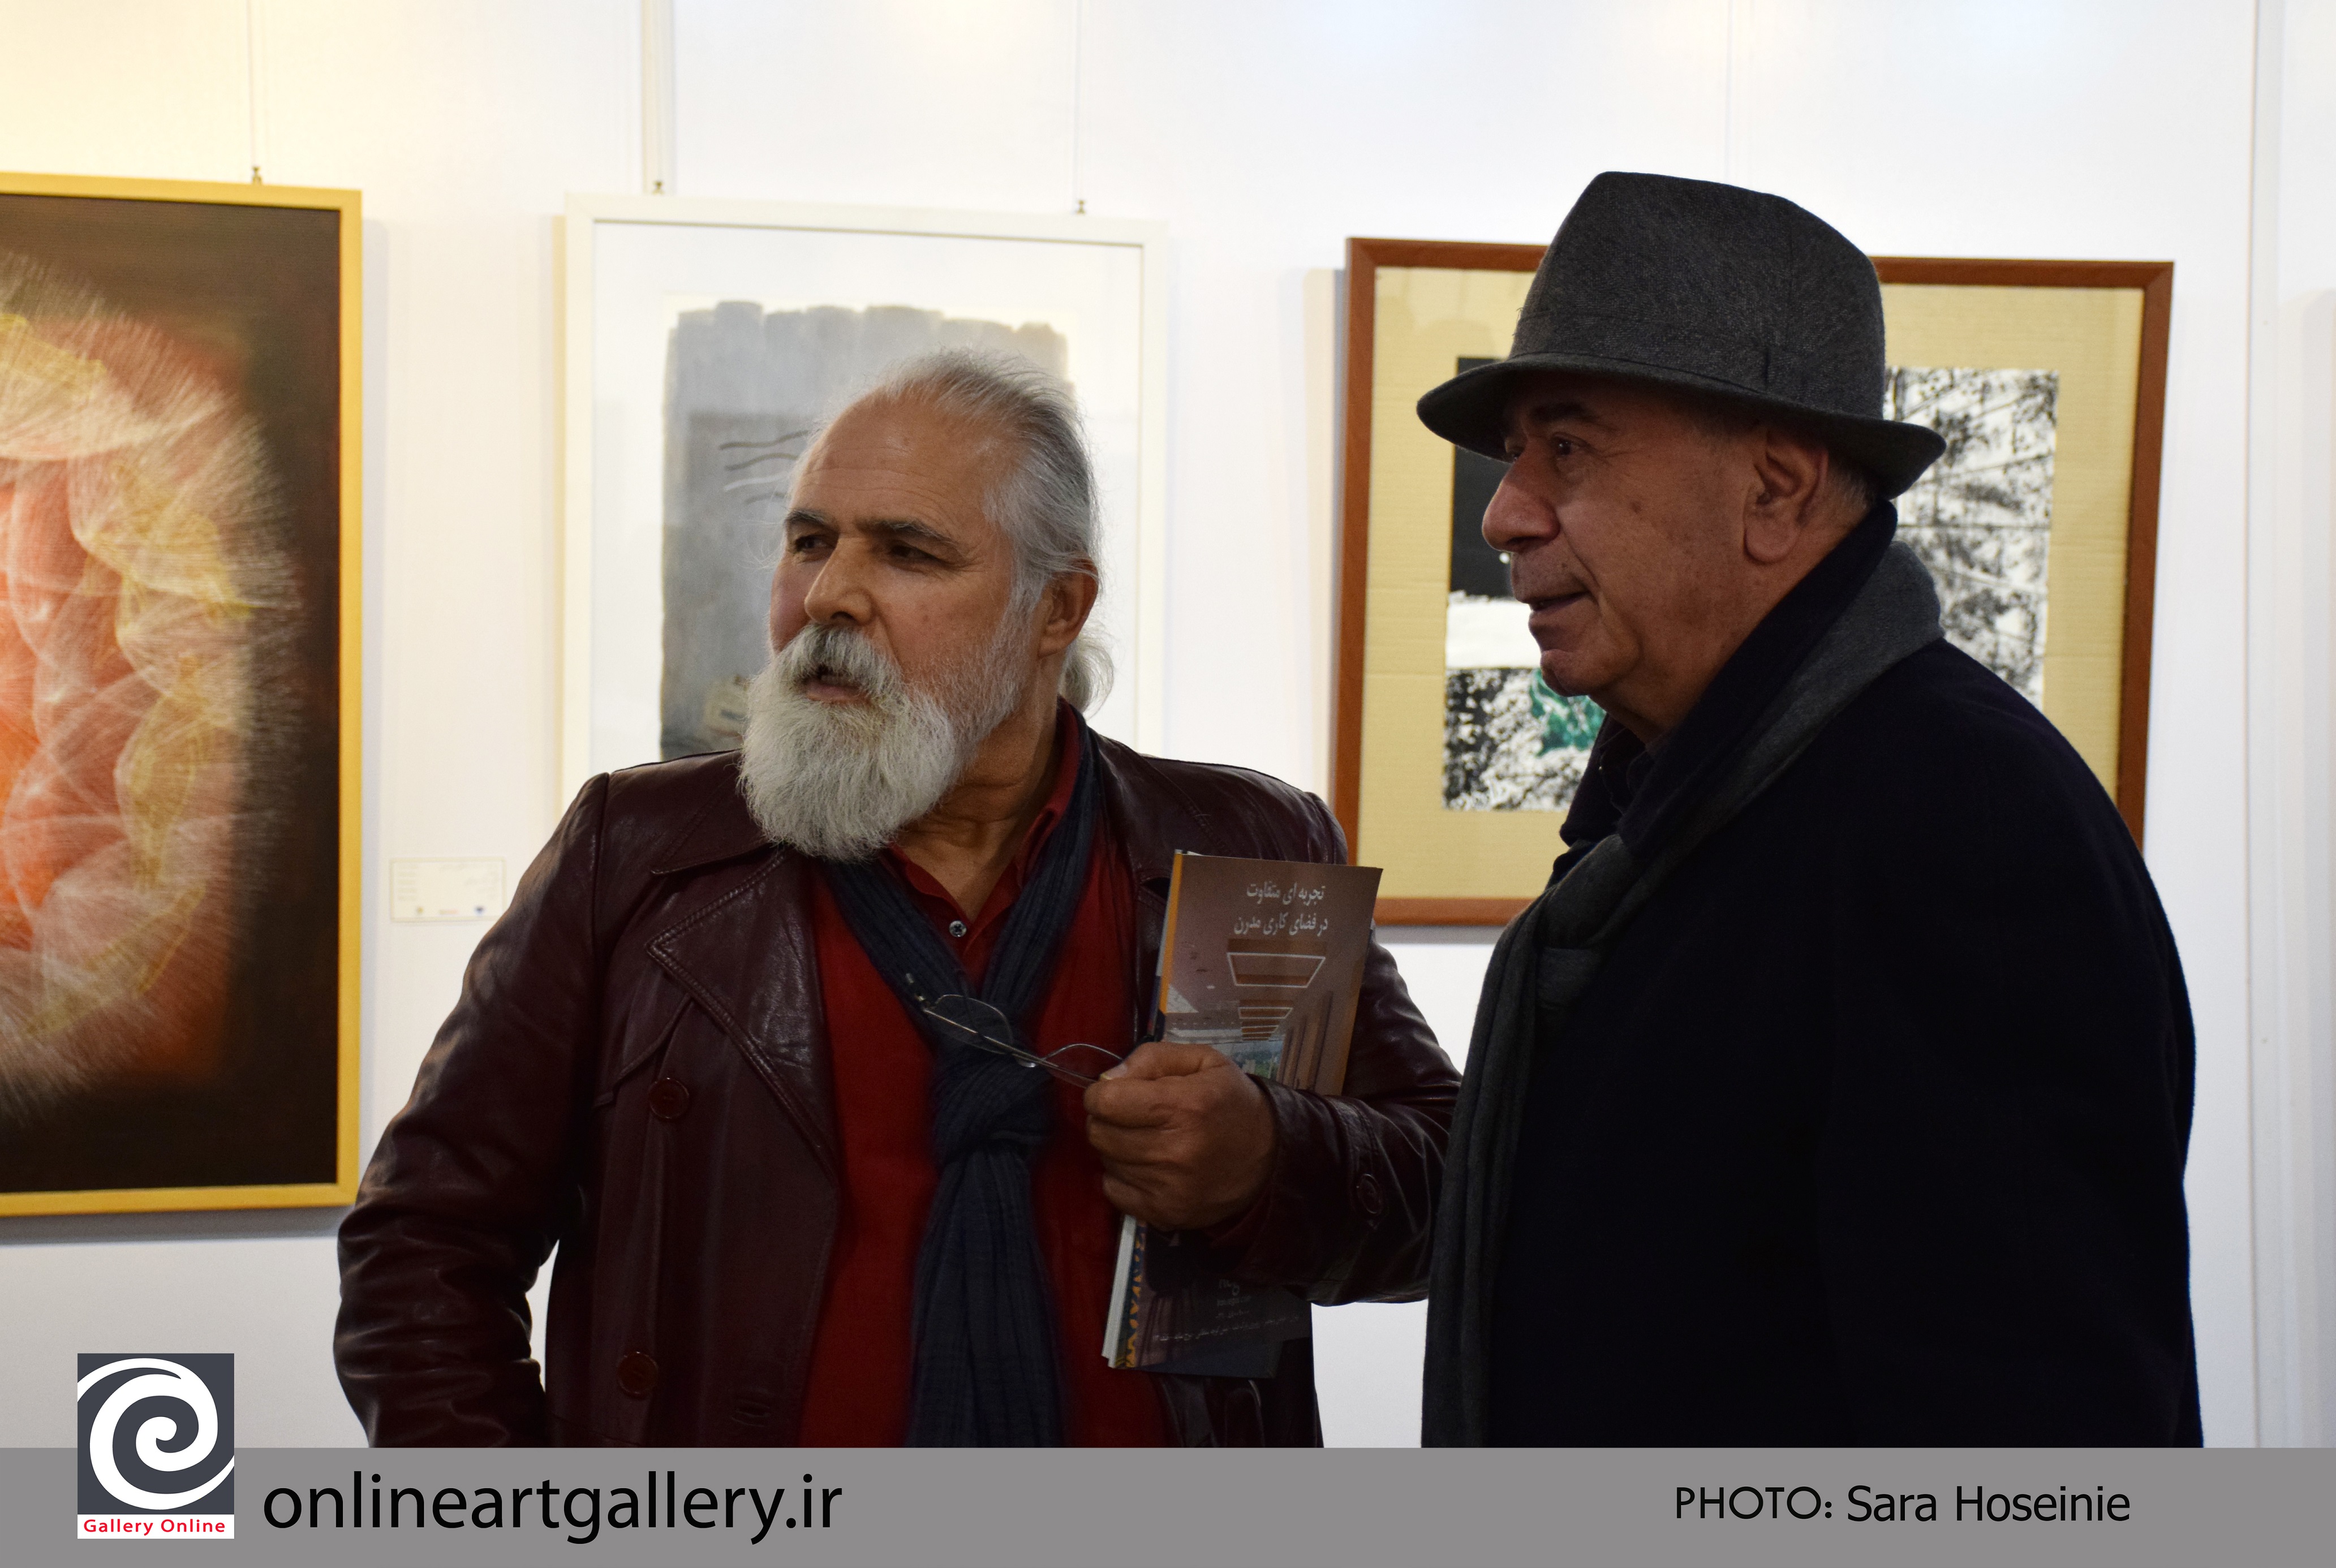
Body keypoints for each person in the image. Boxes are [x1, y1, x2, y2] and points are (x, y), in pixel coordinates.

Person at [337, 353, 1456, 1447]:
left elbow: (1449, 1194)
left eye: (907, 552)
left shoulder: (1245, 846)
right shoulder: (639, 856)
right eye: (808, 541)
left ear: (1055, 609)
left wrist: (1272, 1158)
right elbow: (425, 1245)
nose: (827, 595)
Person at [1420, 173, 2199, 1445]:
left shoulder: (1958, 829)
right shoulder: (1689, 812)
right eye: (1517, 455)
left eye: (1566, 448)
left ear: (1775, 491)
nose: (1505, 512)